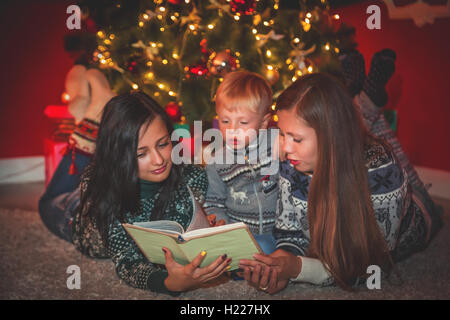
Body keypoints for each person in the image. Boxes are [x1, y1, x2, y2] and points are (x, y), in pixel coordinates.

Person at [238, 73, 442, 294]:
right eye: (283, 135)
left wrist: (298, 268)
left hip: (420, 212)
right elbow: (290, 233)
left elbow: (371, 268)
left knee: (408, 176)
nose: (285, 148)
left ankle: (365, 106)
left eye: (296, 138)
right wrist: (279, 264)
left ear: (331, 136)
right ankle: (363, 103)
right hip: (355, 162)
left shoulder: (382, 174)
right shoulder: (294, 159)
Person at [39, 92, 231, 295]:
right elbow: (127, 261)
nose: (158, 160)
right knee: (46, 203)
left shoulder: (193, 177)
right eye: (141, 153)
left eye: (163, 144)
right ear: (119, 156)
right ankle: (88, 125)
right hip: (76, 214)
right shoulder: (102, 192)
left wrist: (207, 223)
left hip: (113, 175)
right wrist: (168, 283)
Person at [203, 70, 279, 254]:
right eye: (225, 121)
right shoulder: (217, 162)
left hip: (279, 232)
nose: (232, 130)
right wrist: (221, 224)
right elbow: (214, 202)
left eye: (243, 122)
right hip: (240, 237)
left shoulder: (277, 145)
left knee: (272, 251)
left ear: (263, 122)